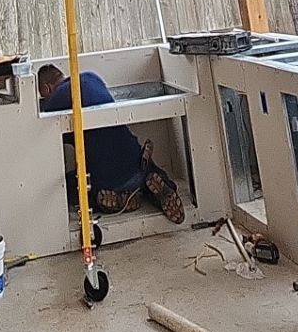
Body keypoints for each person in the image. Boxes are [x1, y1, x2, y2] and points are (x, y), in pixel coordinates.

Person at [35, 63, 185, 223]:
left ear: (46, 89)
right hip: (137, 165)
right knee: (145, 167)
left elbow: (47, 140)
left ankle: (115, 200)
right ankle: (154, 185)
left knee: (70, 187)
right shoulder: (91, 77)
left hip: (105, 181)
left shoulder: (54, 104)